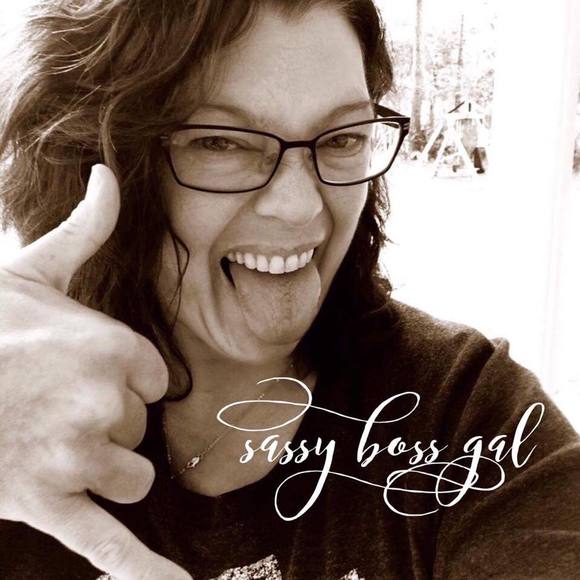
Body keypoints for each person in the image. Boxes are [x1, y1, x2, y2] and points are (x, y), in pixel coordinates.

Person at [0, 1, 578, 579]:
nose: (300, 207)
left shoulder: (471, 419)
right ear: (90, 161)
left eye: (342, 138)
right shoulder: (16, 411)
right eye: (220, 142)